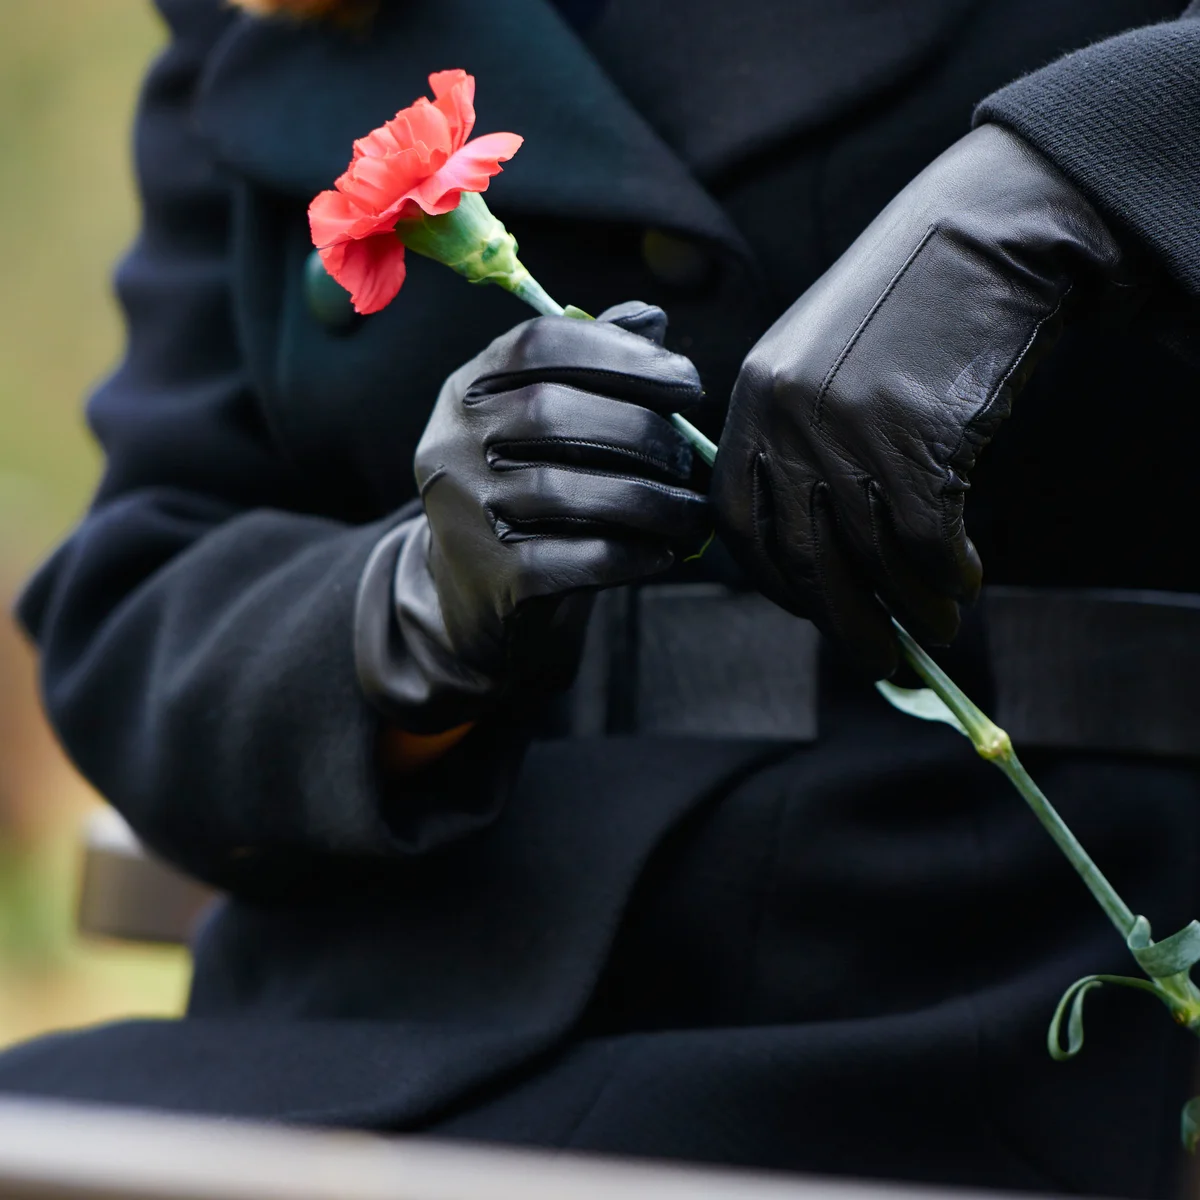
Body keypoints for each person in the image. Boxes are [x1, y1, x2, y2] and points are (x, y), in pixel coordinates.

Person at [5, 0, 1200, 1194]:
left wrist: (1083, 169)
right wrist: (412, 608)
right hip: (402, 1022)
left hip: (1041, 997)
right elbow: (142, 601)